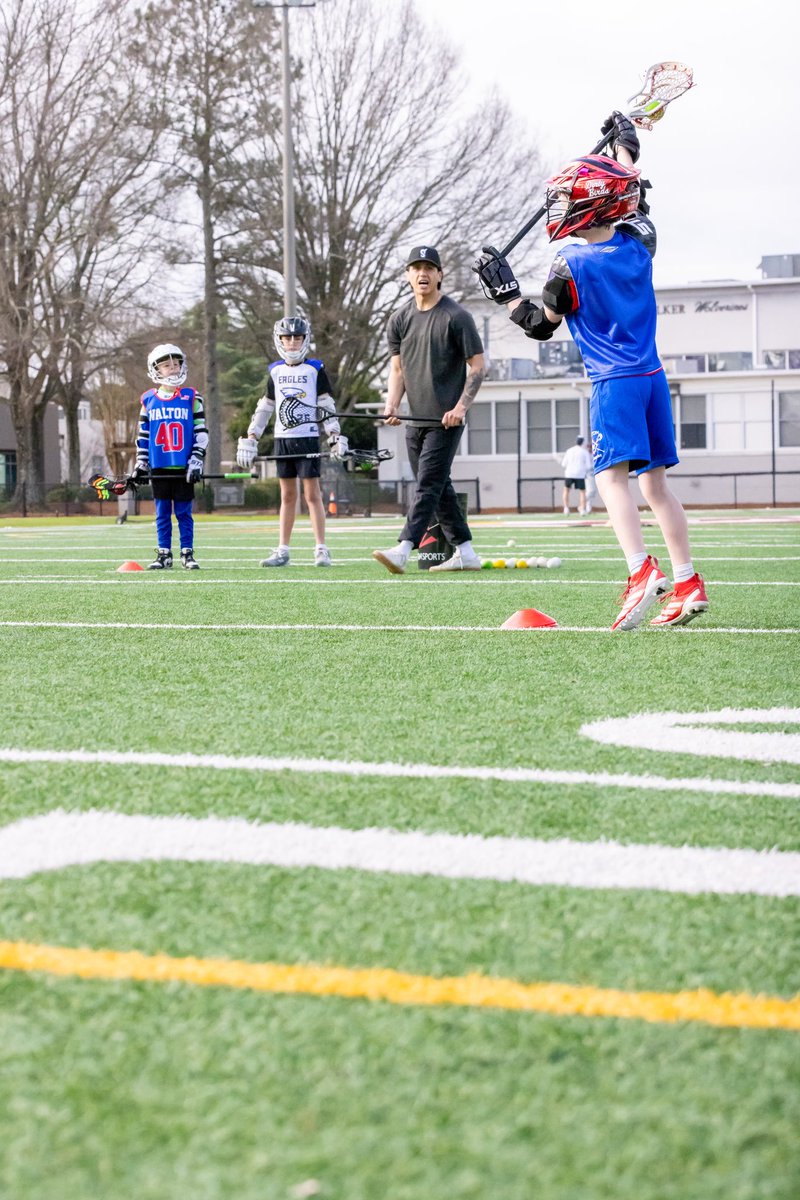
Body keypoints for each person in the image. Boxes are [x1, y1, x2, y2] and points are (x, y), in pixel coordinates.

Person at [476, 113, 709, 630]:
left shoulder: (570, 265)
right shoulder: (638, 242)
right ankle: (688, 580)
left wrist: (506, 294)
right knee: (655, 487)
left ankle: (640, 570)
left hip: (613, 382)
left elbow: (539, 326)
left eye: (567, 198)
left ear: (590, 204)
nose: (559, 206)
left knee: (608, 478)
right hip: (651, 377)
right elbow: (634, 199)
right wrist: (626, 145)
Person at [372, 246, 485, 574]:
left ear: (439, 275)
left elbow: (477, 367)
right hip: (414, 419)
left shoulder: (456, 316)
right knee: (437, 485)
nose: (423, 274)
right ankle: (465, 551)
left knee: (427, 485)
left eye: (429, 268)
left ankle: (404, 548)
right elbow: (398, 370)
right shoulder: (400, 320)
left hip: (445, 421)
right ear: (408, 275)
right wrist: (391, 405)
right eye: (416, 268)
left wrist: (461, 407)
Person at [236, 316, 348, 567]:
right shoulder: (275, 371)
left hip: (307, 437)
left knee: (312, 494)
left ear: (305, 339)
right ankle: (282, 550)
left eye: (298, 337)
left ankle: (321, 548)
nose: (293, 342)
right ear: (280, 340)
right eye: (288, 338)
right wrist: (252, 435)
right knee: (287, 496)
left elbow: (325, 404)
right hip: (283, 439)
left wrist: (333, 434)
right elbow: (266, 407)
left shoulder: (315, 369)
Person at [133, 343, 207, 570]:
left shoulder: (192, 397)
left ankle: (187, 553)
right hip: (160, 466)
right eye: (167, 365)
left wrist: (196, 460)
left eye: (176, 364)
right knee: (162, 513)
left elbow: (201, 433)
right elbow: (143, 435)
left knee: (184, 513)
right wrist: (142, 463)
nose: (173, 369)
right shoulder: (148, 400)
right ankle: (164, 554)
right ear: (156, 370)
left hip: (183, 467)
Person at [560, 435, 593, 515]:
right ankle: (582, 510)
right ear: (583, 443)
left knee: (566, 490)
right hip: (580, 474)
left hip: (569, 474)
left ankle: (566, 509)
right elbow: (589, 466)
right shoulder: (584, 452)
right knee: (582, 492)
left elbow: (563, 464)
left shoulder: (569, 451)